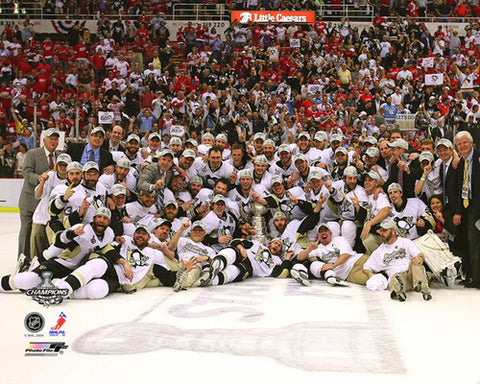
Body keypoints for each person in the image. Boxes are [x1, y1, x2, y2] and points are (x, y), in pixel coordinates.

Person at [0, 208, 118, 293]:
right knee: (31, 280)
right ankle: (2, 283)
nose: (101, 220)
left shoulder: (109, 234)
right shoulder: (82, 228)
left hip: (76, 270)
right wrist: (72, 233)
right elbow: (59, 239)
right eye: (99, 217)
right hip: (60, 263)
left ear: (109, 222)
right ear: (94, 218)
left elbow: (107, 248)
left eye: (105, 218)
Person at [363, 220, 432, 302]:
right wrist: (371, 275)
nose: (381, 233)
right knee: (396, 278)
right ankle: (399, 289)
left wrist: (420, 258)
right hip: (398, 275)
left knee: (415, 262)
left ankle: (422, 285)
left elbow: (419, 254)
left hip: (412, 272)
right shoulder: (379, 252)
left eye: (384, 231)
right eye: (380, 231)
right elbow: (366, 267)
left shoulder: (405, 242)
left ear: (393, 231)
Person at [18, 128, 60, 260]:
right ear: (44, 140)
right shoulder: (33, 153)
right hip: (30, 201)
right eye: (51, 139)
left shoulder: (60, 156)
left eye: (56, 139)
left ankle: (40, 260)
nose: (53, 141)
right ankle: (23, 260)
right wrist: (39, 178)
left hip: (47, 205)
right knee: (26, 230)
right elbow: (26, 172)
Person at [293, 222, 370, 287]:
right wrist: (310, 249)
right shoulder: (318, 249)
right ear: (318, 236)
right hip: (348, 273)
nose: (323, 233)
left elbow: (346, 254)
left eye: (325, 230)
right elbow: (299, 257)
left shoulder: (339, 239)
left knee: (379, 265)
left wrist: (333, 265)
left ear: (330, 233)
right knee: (370, 279)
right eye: (320, 231)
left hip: (359, 260)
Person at [453, 131, 480, 288]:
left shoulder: (477, 159)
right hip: (465, 206)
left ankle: (477, 278)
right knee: (469, 243)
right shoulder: (460, 163)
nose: (463, 146)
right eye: (459, 144)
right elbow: (458, 189)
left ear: (472, 143)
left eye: (465, 142)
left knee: (475, 243)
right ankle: (471, 275)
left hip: (477, 207)